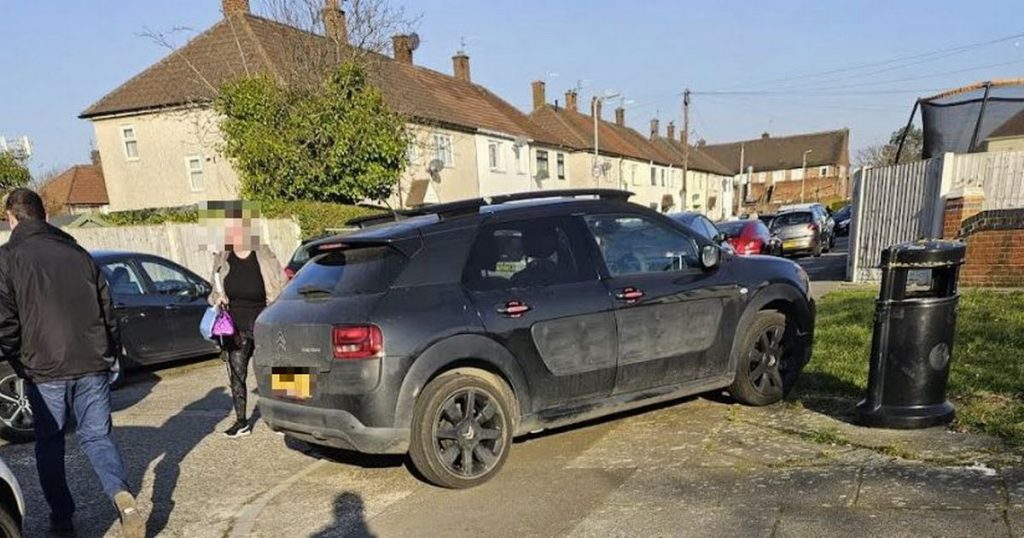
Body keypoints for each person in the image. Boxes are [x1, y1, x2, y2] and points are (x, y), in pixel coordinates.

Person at [0, 188, 144, 537]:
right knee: (97, 437)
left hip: (44, 366)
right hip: (91, 359)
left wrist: (17, 357)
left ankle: (62, 517)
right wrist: (109, 353)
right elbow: (107, 309)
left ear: (12, 218)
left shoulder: (8, 258)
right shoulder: (78, 253)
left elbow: (4, 320)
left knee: (50, 443)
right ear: (44, 215)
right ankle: (122, 497)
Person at [206, 201, 283, 438]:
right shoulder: (222, 258)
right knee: (237, 373)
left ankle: (287, 418)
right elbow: (212, 292)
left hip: (264, 319)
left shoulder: (265, 254)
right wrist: (218, 298)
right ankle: (241, 421)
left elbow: (281, 283)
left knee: (280, 370)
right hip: (234, 325)